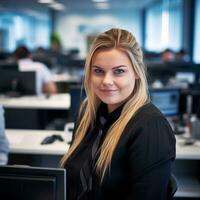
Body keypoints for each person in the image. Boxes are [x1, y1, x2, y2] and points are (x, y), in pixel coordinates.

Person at [61, 28, 176, 200]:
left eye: (119, 71)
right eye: (98, 71)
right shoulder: (87, 113)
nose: (107, 81)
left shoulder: (150, 126)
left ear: (137, 72)